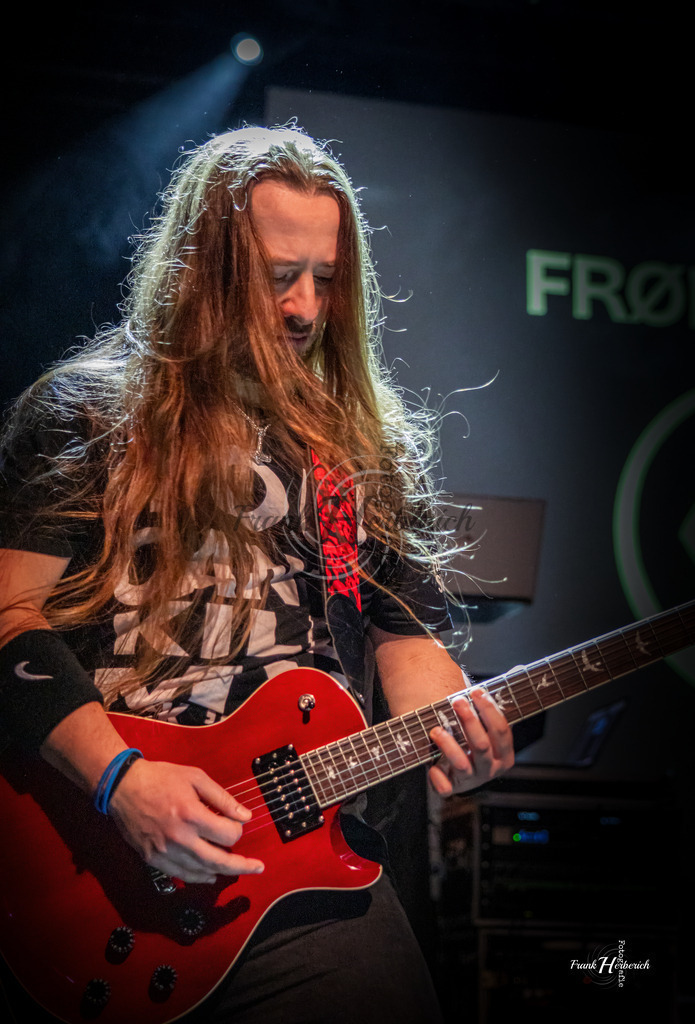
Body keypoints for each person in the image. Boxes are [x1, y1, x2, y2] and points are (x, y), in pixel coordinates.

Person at [0, 126, 514, 1023]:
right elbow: (9, 615)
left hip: (304, 859)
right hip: (97, 839)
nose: (305, 307)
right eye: (279, 276)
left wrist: (460, 734)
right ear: (206, 266)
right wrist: (120, 780)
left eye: (325, 278)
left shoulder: (359, 446)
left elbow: (405, 639)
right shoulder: (89, 412)